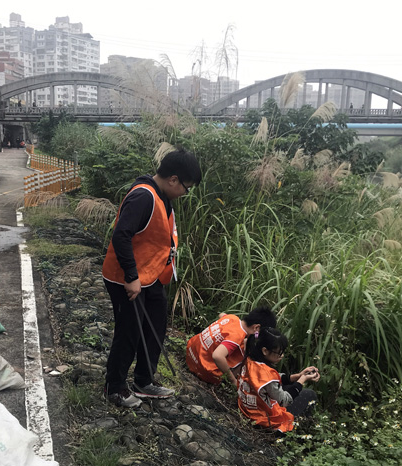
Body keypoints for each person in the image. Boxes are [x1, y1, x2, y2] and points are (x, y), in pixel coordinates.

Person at [101, 147, 202, 408]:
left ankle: (144, 381)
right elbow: (121, 235)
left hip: (152, 275)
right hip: (127, 278)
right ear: (173, 180)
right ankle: (115, 387)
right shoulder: (143, 197)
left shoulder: (162, 196)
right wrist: (132, 276)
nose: (185, 193)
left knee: (155, 326)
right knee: (128, 332)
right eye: (186, 187)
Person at [237, 327, 319, 432]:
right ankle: (296, 433)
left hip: (248, 408)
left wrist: (297, 376)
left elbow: (269, 380)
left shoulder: (250, 360)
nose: (282, 355)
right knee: (309, 394)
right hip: (264, 419)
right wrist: (302, 380)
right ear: (265, 351)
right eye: (279, 353)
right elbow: (285, 400)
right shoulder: (266, 374)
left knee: (289, 387)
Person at [186, 306, 277, 387]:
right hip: (202, 368)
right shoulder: (237, 335)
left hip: (191, 352)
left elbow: (221, 315)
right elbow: (217, 356)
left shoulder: (232, 318)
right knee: (246, 356)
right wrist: (233, 381)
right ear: (256, 328)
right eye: (260, 333)